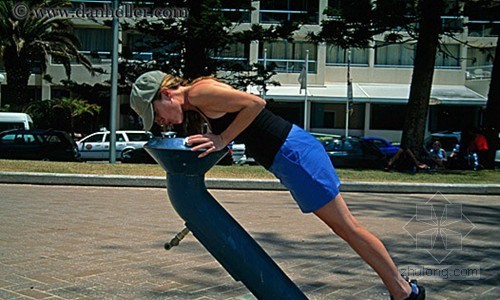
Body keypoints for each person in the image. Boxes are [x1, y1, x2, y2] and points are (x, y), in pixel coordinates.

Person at [130, 70, 425, 300]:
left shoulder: (200, 92)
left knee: (347, 227)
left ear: (166, 93)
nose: (162, 122)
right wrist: (220, 140)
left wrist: (223, 138)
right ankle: (400, 289)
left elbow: (256, 104)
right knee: (345, 227)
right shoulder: (198, 99)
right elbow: (241, 119)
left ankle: (403, 291)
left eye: (156, 114)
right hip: (288, 156)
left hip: (294, 154)